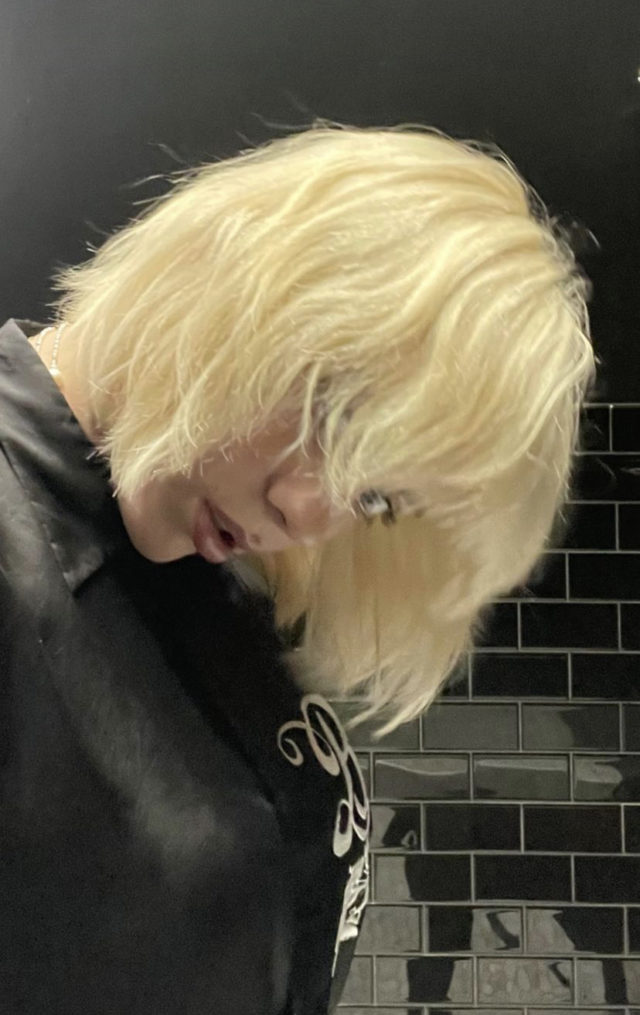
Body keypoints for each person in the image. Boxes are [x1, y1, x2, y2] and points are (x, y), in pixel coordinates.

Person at [0, 119, 595, 1014]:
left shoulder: (203, 567)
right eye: (332, 407)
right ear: (243, 279)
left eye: (378, 495)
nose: (308, 514)